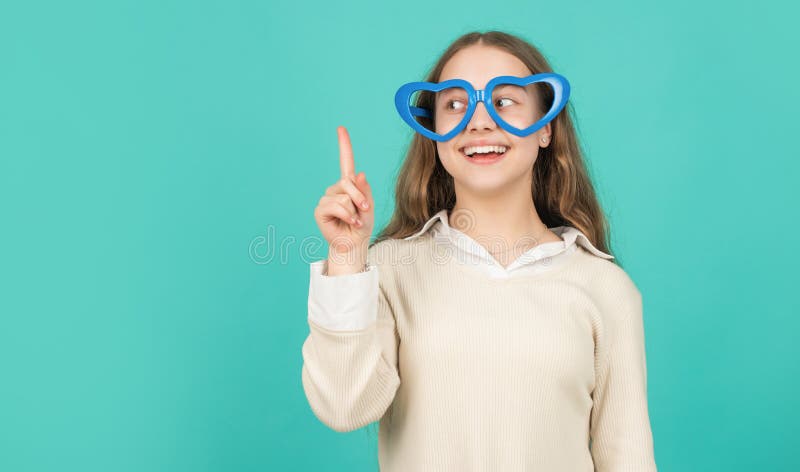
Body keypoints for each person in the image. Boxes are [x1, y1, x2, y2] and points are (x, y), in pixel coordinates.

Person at [301, 30, 658, 471]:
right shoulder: (391, 270)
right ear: (433, 133)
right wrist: (347, 260)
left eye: (504, 101)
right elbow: (343, 406)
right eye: (454, 104)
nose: (479, 121)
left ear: (545, 127)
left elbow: (627, 458)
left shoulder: (606, 289)